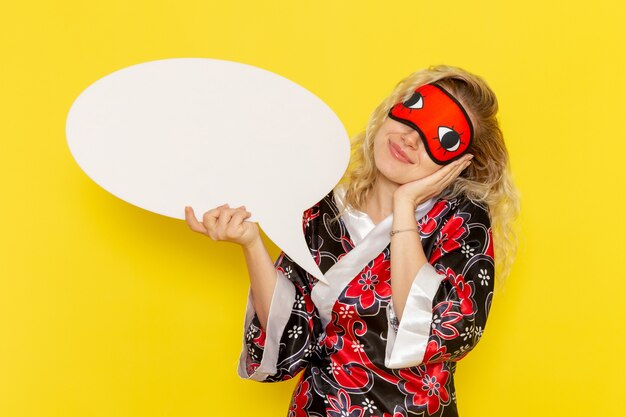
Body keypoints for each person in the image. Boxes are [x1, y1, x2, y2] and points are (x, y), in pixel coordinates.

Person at [184, 64, 520, 417]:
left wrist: (404, 206)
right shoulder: (323, 212)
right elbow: (291, 341)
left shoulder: (461, 221)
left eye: (440, 136)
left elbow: (439, 329)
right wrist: (252, 244)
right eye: (410, 115)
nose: (410, 138)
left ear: (459, 163)